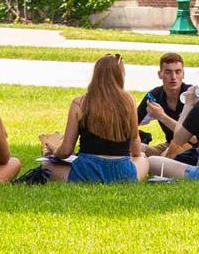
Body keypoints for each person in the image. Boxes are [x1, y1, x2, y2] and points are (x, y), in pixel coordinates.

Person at [40, 54, 147, 183]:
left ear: (96, 75)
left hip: (86, 171)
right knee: (143, 159)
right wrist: (132, 158)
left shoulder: (79, 103)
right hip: (122, 172)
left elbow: (66, 150)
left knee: (46, 166)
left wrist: (54, 153)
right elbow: (135, 144)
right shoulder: (129, 101)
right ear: (121, 76)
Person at [138, 53, 199, 164]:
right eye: (168, 72)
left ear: (183, 74)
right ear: (160, 74)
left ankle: (157, 163)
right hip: (168, 146)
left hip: (193, 150)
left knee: (164, 157)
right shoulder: (154, 96)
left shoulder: (192, 95)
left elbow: (195, 139)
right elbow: (133, 122)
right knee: (137, 148)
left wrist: (162, 116)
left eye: (178, 72)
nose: (173, 77)